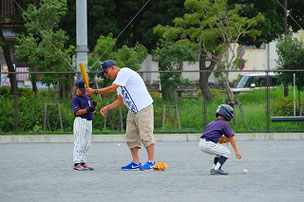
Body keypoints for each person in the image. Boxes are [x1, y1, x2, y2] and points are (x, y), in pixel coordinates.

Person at [87, 60, 156, 171]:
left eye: (106, 72)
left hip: (143, 108)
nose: (106, 75)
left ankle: (151, 162)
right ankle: (136, 162)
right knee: (131, 137)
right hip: (132, 110)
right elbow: (120, 101)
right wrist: (107, 107)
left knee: (146, 134)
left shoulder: (124, 72)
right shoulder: (119, 82)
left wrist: (95, 91)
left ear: (113, 67)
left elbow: (111, 88)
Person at [199, 104, 242, 175]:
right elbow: (231, 138)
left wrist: (220, 139)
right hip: (208, 144)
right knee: (227, 152)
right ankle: (217, 169)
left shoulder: (212, 122)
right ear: (226, 115)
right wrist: (236, 151)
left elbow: (211, 134)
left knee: (219, 153)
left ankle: (214, 168)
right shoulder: (224, 124)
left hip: (202, 143)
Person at [71, 79, 97, 171]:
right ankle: (76, 162)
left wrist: (94, 106)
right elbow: (77, 112)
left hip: (89, 121)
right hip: (80, 121)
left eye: (84, 90)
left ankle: (83, 161)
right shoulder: (75, 98)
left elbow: (93, 110)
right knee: (79, 142)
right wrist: (87, 110)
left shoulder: (87, 97)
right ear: (77, 88)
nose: (83, 91)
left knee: (87, 143)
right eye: (81, 90)